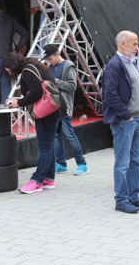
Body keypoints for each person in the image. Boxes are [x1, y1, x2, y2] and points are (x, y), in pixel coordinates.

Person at [102, 31, 139, 213]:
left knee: (135, 162)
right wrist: (126, 115)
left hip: (137, 118)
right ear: (123, 44)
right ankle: (121, 200)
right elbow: (110, 94)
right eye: (134, 44)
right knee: (122, 162)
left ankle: (133, 196)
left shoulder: (129, 63)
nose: (137, 47)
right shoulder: (115, 65)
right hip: (126, 120)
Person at [5, 51, 58, 194]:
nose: (10, 73)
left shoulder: (28, 71)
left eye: (9, 70)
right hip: (53, 110)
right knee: (48, 145)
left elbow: (36, 93)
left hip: (46, 113)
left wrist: (18, 103)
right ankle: (48, 178)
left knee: (45, 146)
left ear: (14, 66)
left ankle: (37, 181)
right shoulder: (33, 65)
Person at [45, 44, 88, 176]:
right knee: (57, 136)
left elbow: (72, 86)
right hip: (54, 106)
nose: (49, 61)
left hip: (65, 107)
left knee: (69, 134)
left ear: (58, 54)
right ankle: (62, 164)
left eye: (51, 58)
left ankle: (82, 164)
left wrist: (54, 81)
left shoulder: (68, 65)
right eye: (48, 59)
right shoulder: (50, 67)